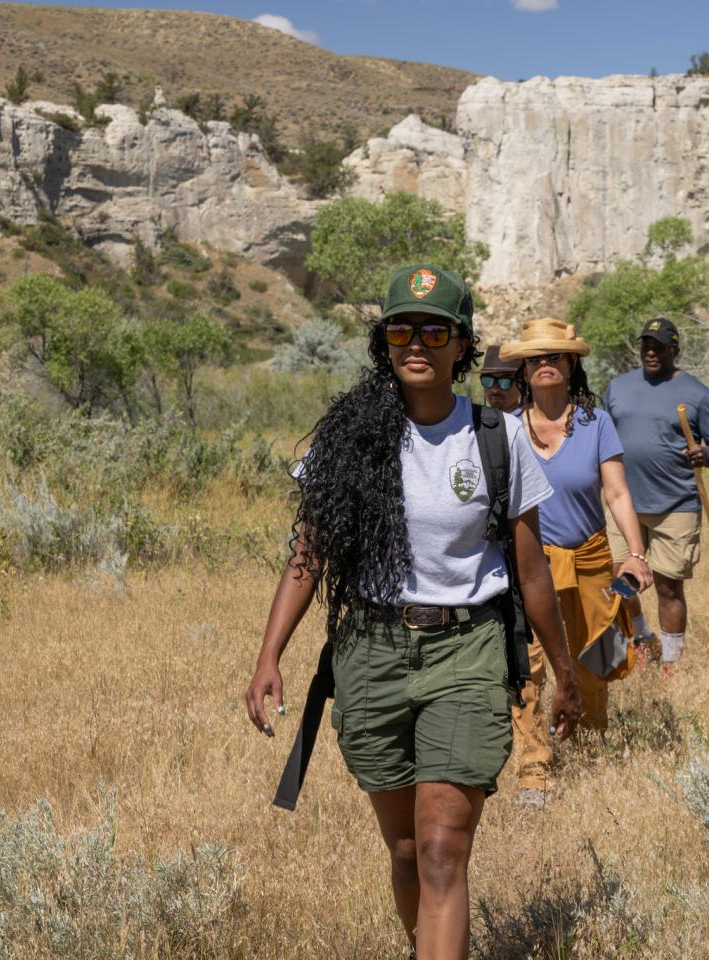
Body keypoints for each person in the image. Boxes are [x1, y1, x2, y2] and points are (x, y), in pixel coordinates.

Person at [243, 264, 581, 960]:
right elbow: (308, 554)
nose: (417, 342)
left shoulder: (496, 437)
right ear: (384, 342)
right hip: (370, 650)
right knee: (402, 849)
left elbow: (530, 569)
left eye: (435, 329)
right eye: (402, 328)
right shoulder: (350, 437)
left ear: (461, 345)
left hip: (466, 650)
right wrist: (268, 656)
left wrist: (566, 674)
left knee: (439, 849)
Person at [499, 318, 653, 805]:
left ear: (571, 365)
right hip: (529, 564)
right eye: (535, 358)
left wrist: (637, 553)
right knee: (529, 666)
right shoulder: (505, 429)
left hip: (588, 558)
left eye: (554, 357)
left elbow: (617, 491)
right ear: (523, 369)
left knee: (591, 661)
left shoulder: (596, 422)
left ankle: (591, 745)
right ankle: (533, 772)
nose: (545, 364)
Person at [603, 316, 709, 674]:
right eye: (646, 344)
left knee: (668, 586)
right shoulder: (618, 388)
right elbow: (602, 438)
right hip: (622, 501)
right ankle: (642, 637)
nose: (651, 352)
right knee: (620, 579)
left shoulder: (697, 393)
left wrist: (706, 455)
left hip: (675, 505)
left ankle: (672, 663)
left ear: (674, 350)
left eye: (659, 346)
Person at [478, 344, 522, 414]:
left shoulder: (529, 423)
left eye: (504, 382)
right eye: (488, 381)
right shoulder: (475, 421)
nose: (495, 390)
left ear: (520, 383)